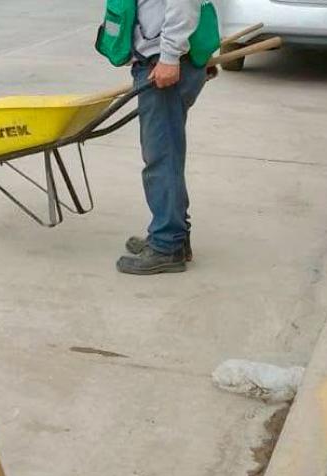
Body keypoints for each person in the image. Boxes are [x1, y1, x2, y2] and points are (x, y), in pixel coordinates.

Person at [115, 0, 211, 275]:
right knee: (167, 153)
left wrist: (171, 56)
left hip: (164, 64)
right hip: (166, 60)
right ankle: (174, 238)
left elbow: (184, 5)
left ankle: (166, 245)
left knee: (162, 158)